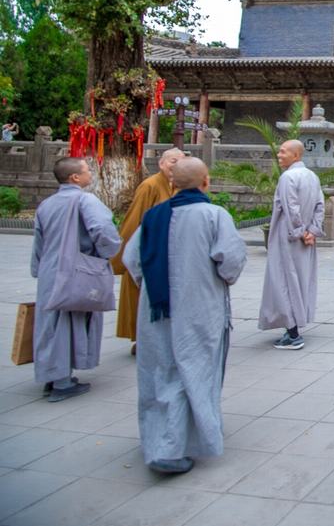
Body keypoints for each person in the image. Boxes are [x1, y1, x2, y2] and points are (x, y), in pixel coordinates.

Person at [124, 157, 246, 475]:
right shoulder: (214, 215)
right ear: (206, 182)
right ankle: (171, 447)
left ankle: (161, 438)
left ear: (173, 183)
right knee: (192, 370)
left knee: (162, 370)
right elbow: (230, 263)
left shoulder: (153, 217)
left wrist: (154, 287)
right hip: (200, 307)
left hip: (157, 309)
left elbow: (131, 258)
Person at [31, 157, 121, 401]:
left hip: (51, 270)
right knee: (68, 323)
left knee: (51, 323)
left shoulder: (46, 204)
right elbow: (103, 229)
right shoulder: (85, 199)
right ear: (75, 178)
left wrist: (38, 268)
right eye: (87, 169)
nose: (90, 172)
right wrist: (107, 253)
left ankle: (52, 375)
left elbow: (38, 241)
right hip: (76, 270)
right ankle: (61, 383)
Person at [112, 147, 185, 354]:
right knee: (140, 296)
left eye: (180, 161)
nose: (176, 165)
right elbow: (134, 220)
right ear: (161, 163)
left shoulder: (180, 186)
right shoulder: (150, 186)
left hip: (169, 254)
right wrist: (123, 257)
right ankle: (140, 340)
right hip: (146, 252)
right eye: (172, 161)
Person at [259, 140, 324, 350]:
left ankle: (293, 333)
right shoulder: (312, 177)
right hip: (305, 239)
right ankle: (293, 328)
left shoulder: (288, 177)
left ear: (296, 155)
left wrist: (299, 232)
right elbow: (320, 206)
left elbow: (291, 208)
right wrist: (312, 231)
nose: (279, 154)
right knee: (300, 281)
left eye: (283, 151)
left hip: (288, 238)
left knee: (285, 283)